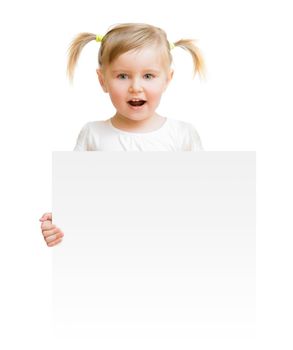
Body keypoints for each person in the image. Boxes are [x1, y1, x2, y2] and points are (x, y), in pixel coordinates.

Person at [40, 22, 205, 247]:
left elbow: (203, 201)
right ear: (103, 80)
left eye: (148, 76)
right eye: (122, 76)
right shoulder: (93, 134)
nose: (135, 87)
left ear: (167, 79)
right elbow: (75, 200)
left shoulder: (183, 134)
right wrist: (57, 225)